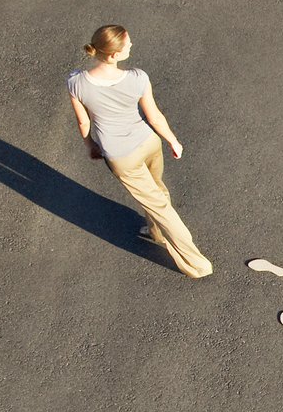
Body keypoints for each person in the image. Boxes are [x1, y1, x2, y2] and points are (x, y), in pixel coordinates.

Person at [66, 25, 213, 278]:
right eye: (127, 44)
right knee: (157, 193)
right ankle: (162, 237)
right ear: (113, 55)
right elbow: (154, 116)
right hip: (149, 143)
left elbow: (83, 122)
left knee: (157, 204)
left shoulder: (76, 82)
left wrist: (90, 145)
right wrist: (172, 141)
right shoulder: (138, 77)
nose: (132, 45)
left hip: (121, 157)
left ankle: (196, 264)